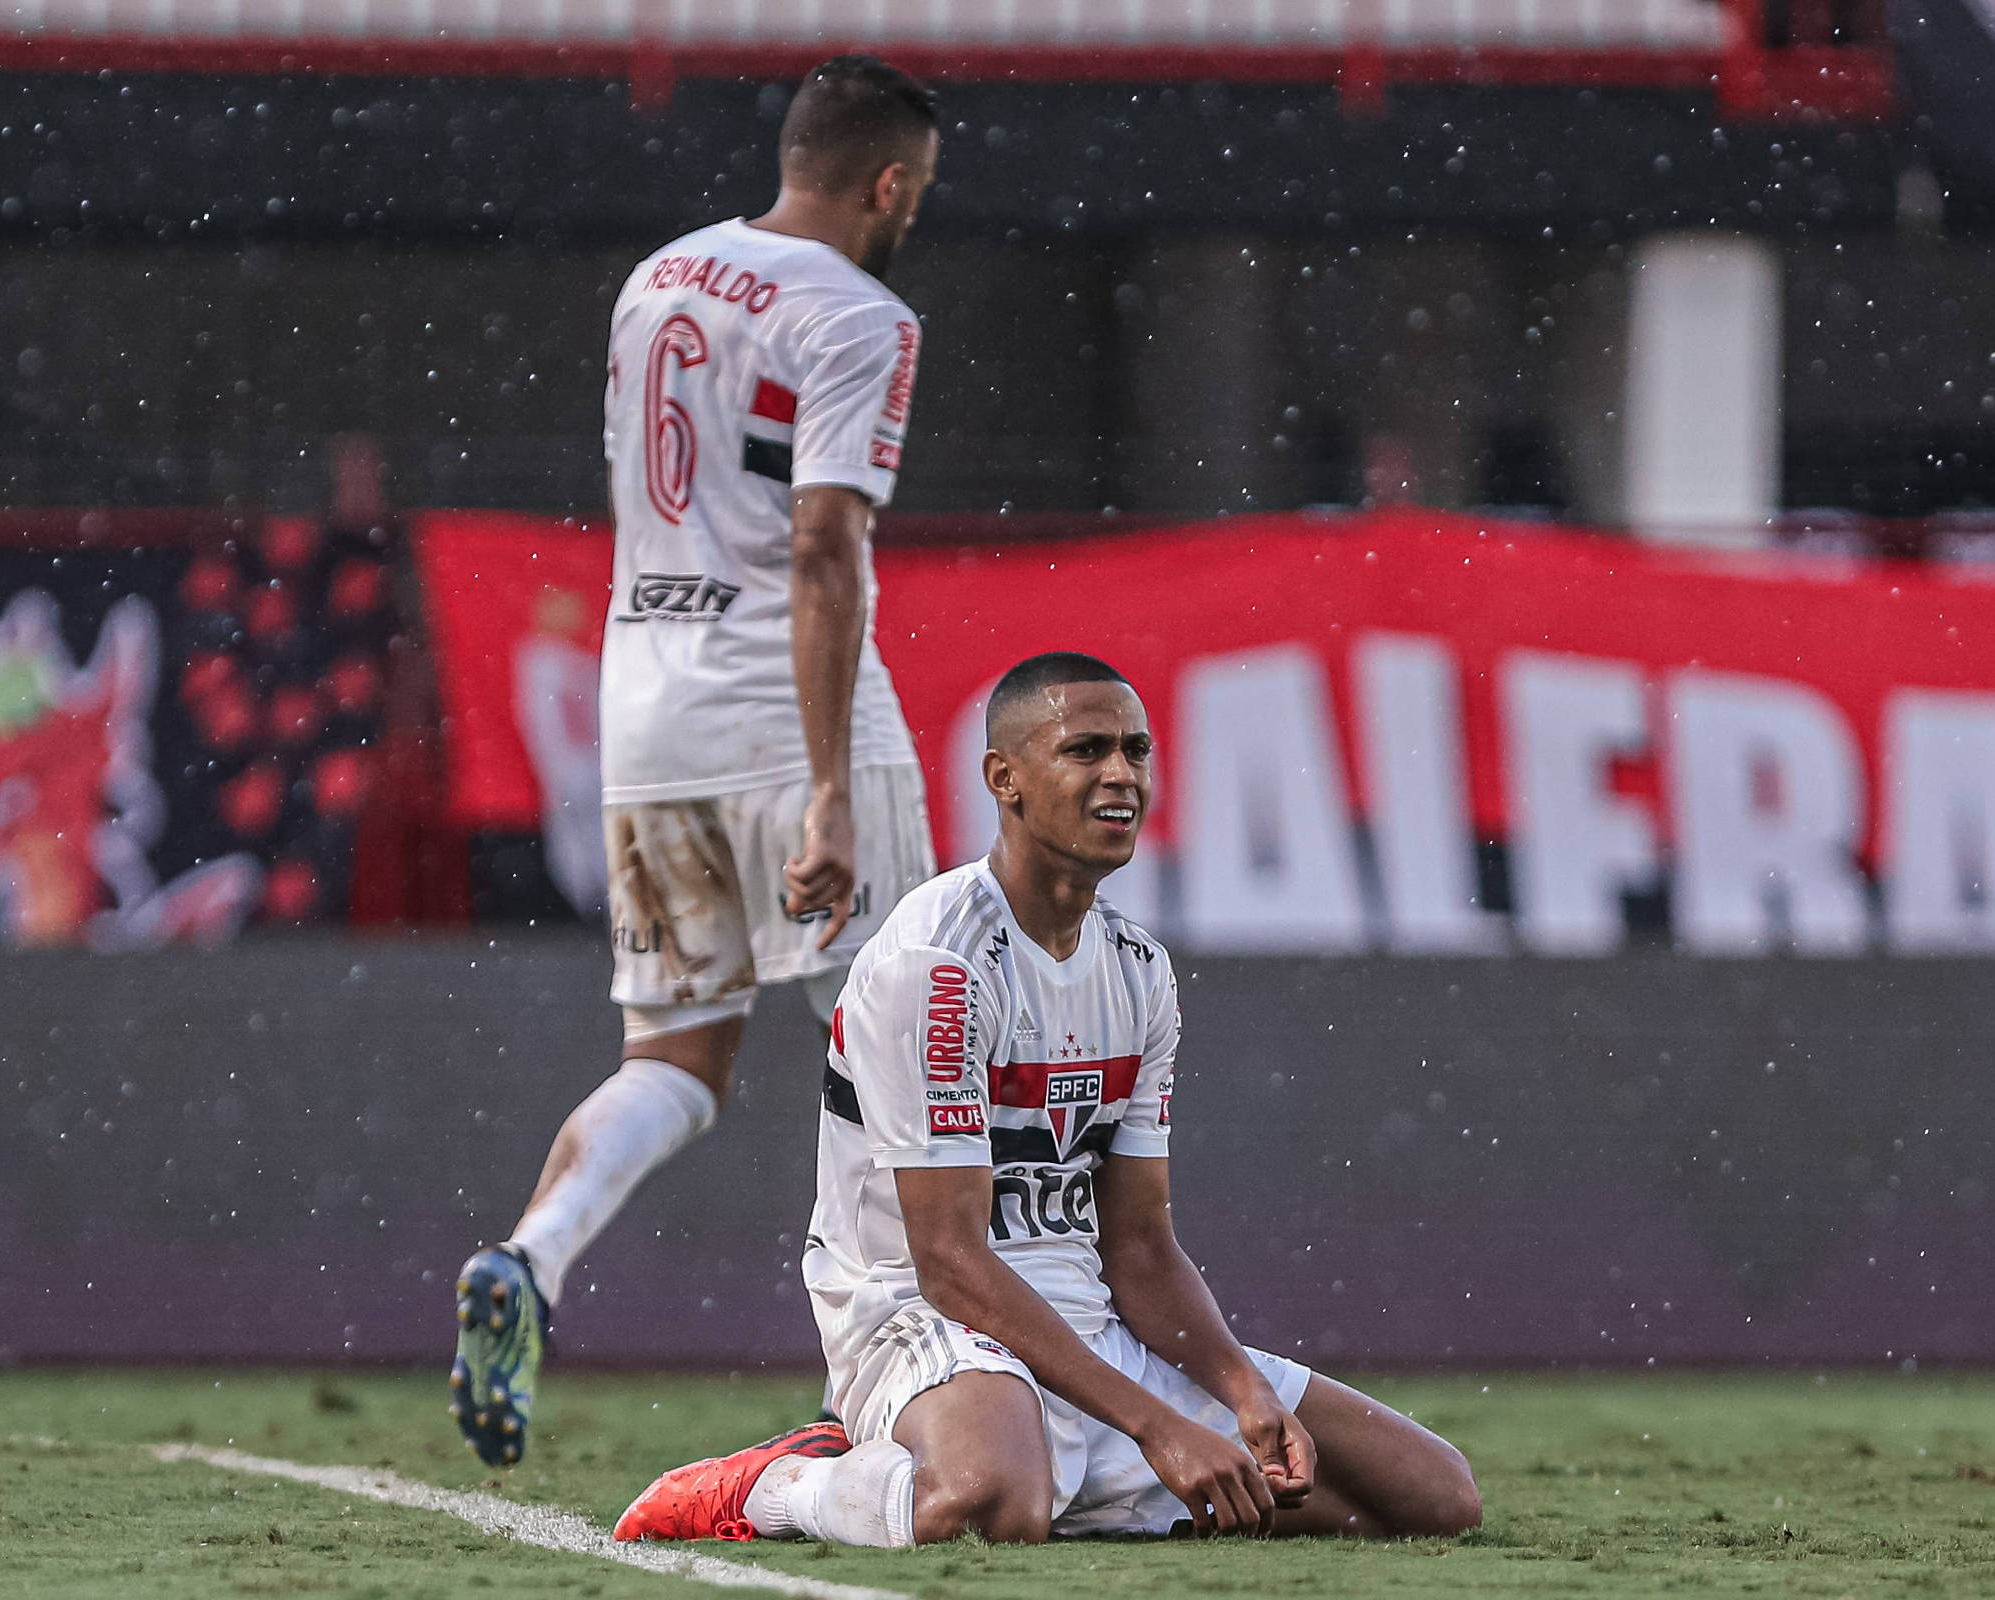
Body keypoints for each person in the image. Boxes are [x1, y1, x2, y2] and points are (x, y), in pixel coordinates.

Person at [612, 652, 1483, 1544]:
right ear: (1006, 779)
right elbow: (948, 1260)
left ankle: (1056, 1478)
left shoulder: (1139, 969)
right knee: (989, 1504)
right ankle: (780, 1485)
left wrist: (1239, 1389)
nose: (1122, 775)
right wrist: (1156, 1425)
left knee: (1432, 1500)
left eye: (1137, 751)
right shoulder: (937, 965)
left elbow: (1139, 1247)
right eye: (1087, 750)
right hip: (921, 1319)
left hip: (1088, 1334)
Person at [449, 55, 944, 1466]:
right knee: (898, 1043)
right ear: (889, 183)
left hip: (645, 706)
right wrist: (836, 785)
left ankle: (531, 1262)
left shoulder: (660, 277)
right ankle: (904, 1374)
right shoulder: (861, 314)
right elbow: (823, 541)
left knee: (677, 1055)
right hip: (780, 709)